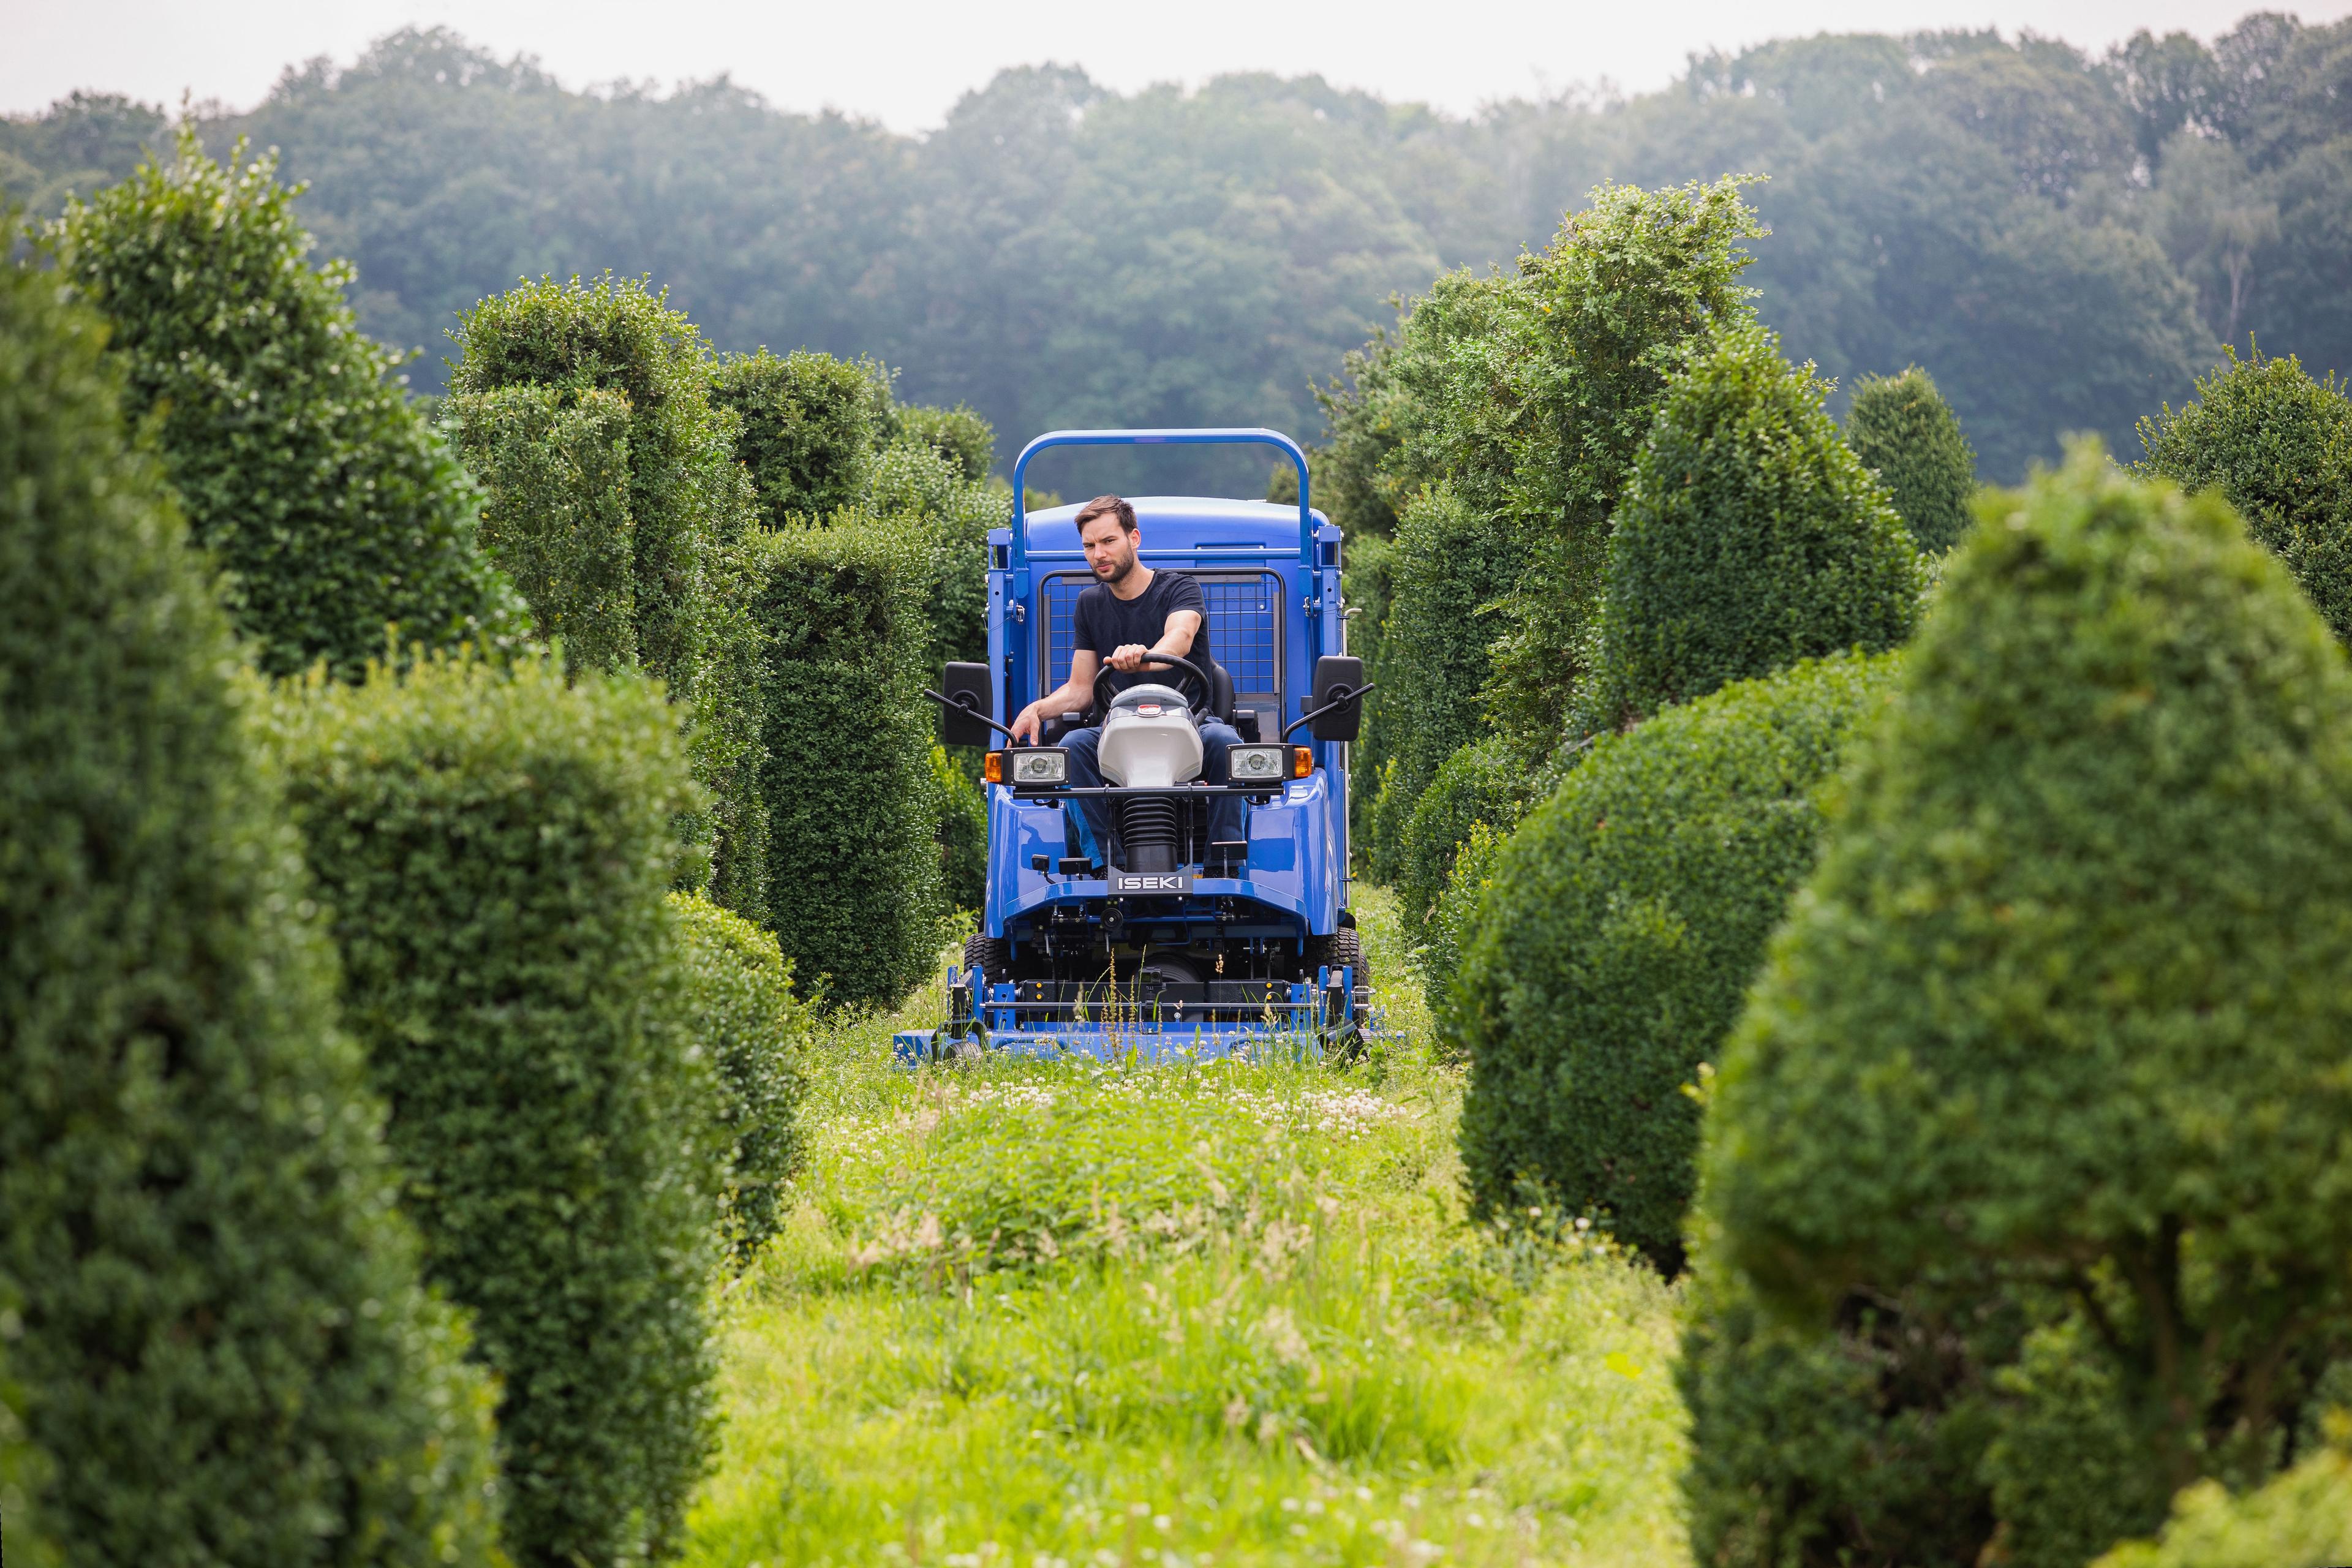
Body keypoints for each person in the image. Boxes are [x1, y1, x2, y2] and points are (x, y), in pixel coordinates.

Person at [1009, 494, 1247, 868]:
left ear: (1134, 539)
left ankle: (1225, 866)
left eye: (1108, 541)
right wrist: (1036, 709)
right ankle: (1107, 865)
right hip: (1117, 728)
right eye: (1089, 545)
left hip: (1189, 724)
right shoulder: (1089, 604)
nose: (1098, 553)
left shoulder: (1180, 589)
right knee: (1072, 745)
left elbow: (1180, 639)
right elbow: (1081, 689)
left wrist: (1144, 660)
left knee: (1226, 742)